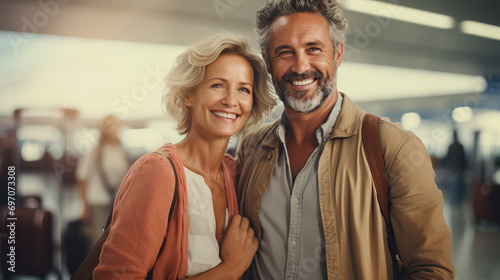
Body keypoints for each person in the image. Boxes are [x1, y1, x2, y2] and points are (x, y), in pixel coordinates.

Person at [236, 1, 455, 279]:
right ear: (267, 61)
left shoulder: (392, 146)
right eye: (285, 52)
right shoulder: (252, 148)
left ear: (338, 53)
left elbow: (431, 269)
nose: (300, 66)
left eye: (313, 49)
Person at [93, 33, 276, 279]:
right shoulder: (156, 171)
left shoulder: (234, 173)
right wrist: (230, 268)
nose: (231, 100)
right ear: (188, 94)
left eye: (244, 89)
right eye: (218, 85)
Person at [76, 114, 129, 246]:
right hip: (97, 202)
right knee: (98, 243)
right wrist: (84, 207)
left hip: (117, 203)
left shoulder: (122, 150)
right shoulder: (95, 151)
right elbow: (82, 177)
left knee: (116, 242)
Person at [444, 129, 467, 203]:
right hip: (454, 169)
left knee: (457, 185)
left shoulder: (456, 146)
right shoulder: (457, 146)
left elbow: (463, 158)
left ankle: (457, 200)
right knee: (455, 185)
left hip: (457, 169)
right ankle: (456, 199)